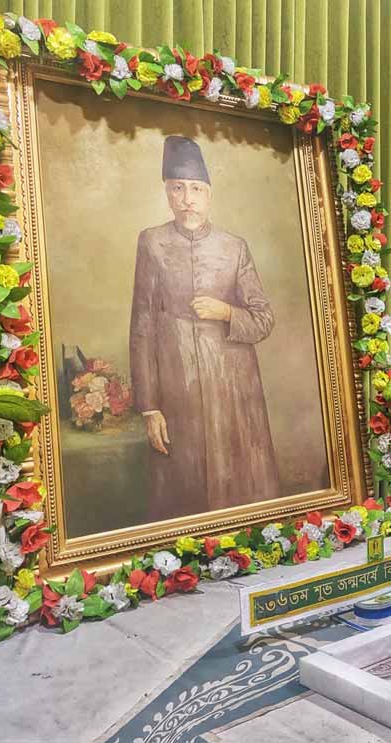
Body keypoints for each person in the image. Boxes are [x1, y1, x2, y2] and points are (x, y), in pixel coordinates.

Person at [129, 135, 281, 521]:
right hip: (178, 385)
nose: (187, 198)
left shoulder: (234, 247)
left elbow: (264, 319)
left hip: (234, 390)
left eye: (196, 189)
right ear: (167, 193)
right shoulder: (151, 242)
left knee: (240, 484)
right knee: (183, 486)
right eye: (177, 188)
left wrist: (226, 312)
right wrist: (149, 407)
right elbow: (142, 326)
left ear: (209, 194)